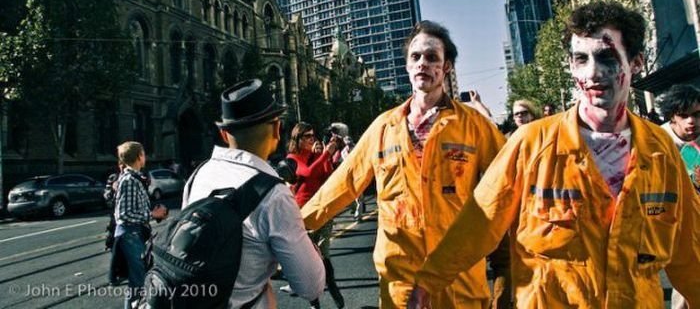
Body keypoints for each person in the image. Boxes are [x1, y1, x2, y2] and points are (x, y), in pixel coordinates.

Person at [408, 2, 700, 308]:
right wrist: (428, 281)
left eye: (606, 58)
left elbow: (689, 252)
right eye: (580, 59)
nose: (592, 72)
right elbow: (479, 222)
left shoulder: (661, 151)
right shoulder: (532, 144)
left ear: (636, 63)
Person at [302, 20, 509, 309]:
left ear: (446, 66)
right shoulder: (384, 127)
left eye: (432, 57)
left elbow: (513, 183)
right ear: (407, 66)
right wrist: (297, 225)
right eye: (415, 57)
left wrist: (508, 269)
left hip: (459, 285)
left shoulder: (475, 126)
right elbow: (343, 184)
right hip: (401, 288)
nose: (423, 63)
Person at [183, 79, 325, 308]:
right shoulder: (274, 194)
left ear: (223, 134)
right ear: (278, 130)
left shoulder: (197, 175)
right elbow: (311, 285)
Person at [282, 124, 345, 308]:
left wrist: (329, 153)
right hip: (303, 214)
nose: (311, 139)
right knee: (310, 260)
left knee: (324, 254)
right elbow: (307, 172)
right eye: (307, 136)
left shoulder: (318, 155)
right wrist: (326, 154)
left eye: (312, 135)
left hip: (322, 211)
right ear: (297, 139)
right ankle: (315, 304)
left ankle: (336, 294)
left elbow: (328, 174)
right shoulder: (292, 158)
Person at [113, 141, 168, 308]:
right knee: (139, 281)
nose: (145, 157)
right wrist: (152, 214)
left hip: (135, 234)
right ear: (138, 156)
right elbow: (123, 214)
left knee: (138, 280)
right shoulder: (130, 179)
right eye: (143, 153)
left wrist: (153, 213)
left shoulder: (134, 178)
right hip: (131, 235)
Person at [659, 84, 700, 309]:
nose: (691, 122)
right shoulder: (656, 141)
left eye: (696, 115)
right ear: (672, 118)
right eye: (683, 116)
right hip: (672, 221)